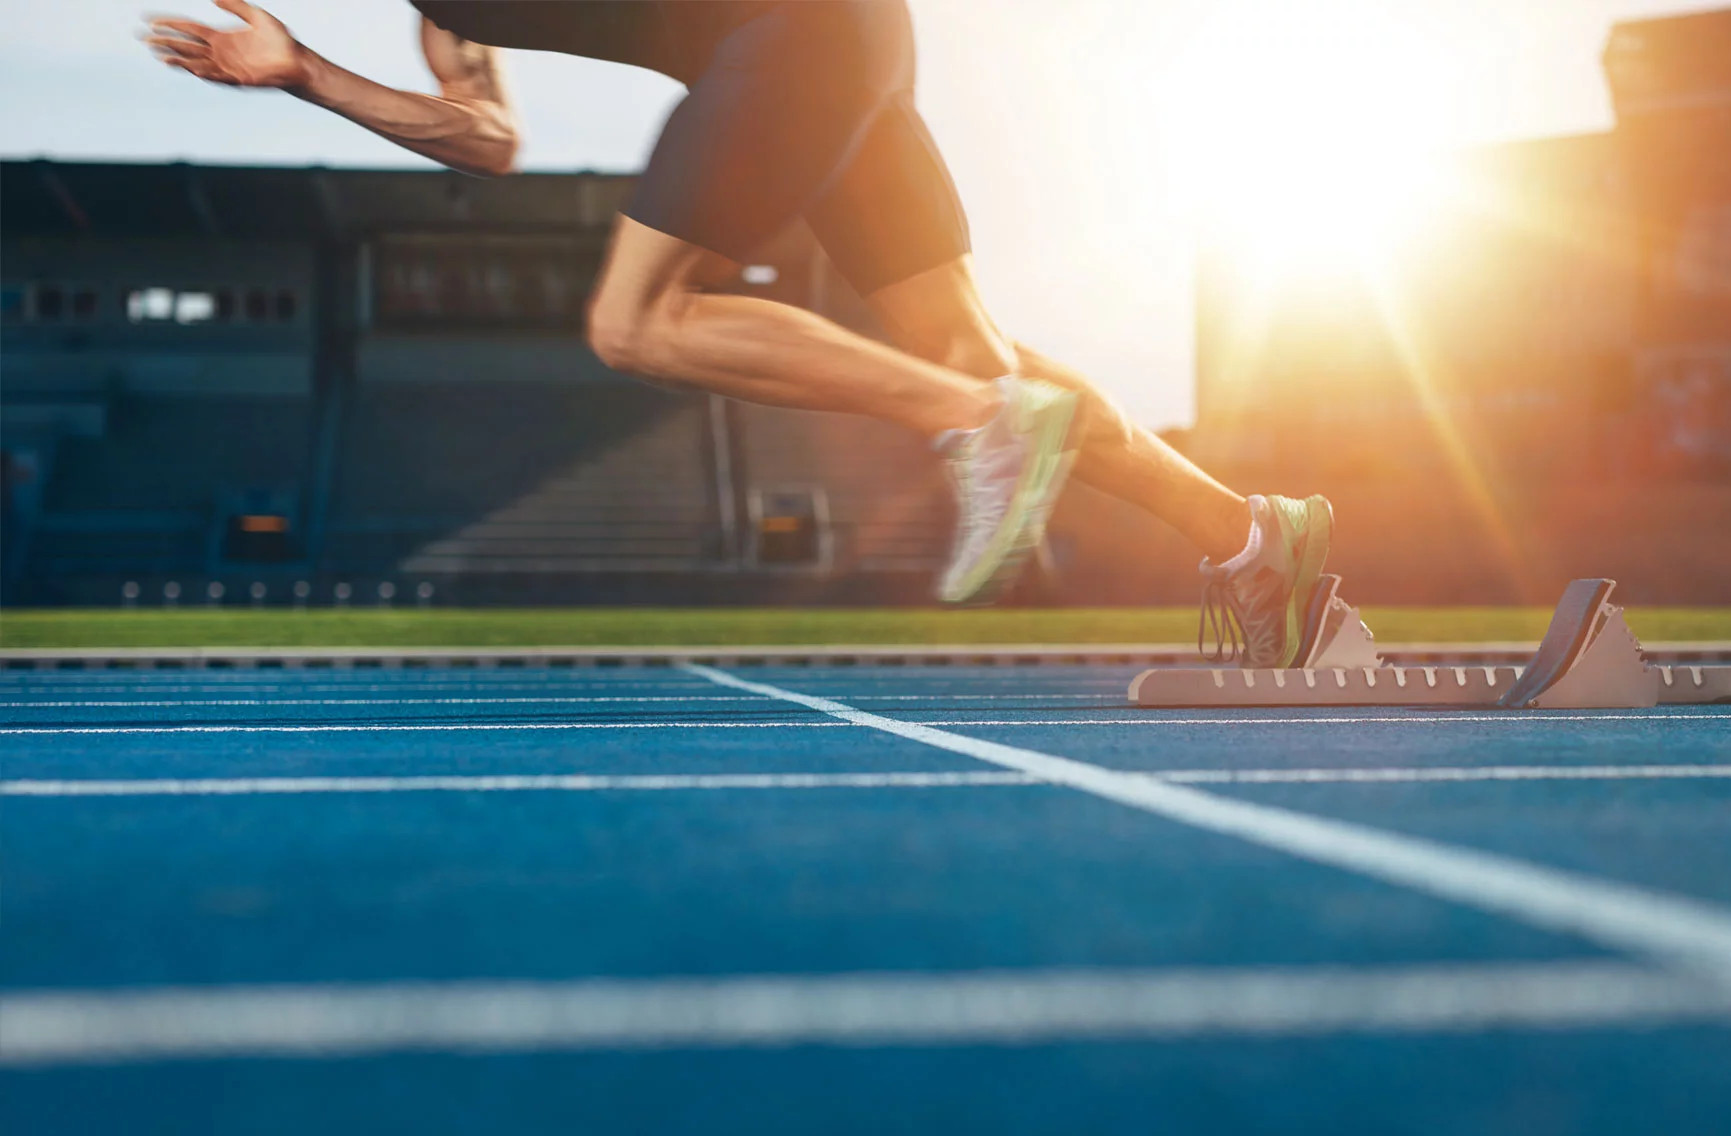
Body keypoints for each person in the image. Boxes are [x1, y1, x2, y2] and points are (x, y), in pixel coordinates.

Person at [146, 0, 1337, 667]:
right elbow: (483, 136)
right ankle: (1250, 536)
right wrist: (304, 74)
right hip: (845, 45)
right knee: (977, 349)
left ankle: (976, 428)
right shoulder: (441, 15)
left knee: (638, 322)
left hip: (794, 36)